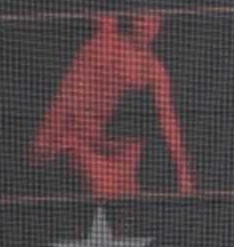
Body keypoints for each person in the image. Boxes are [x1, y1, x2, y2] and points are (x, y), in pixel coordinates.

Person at [29, 10, 195, 195]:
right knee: (105, 185)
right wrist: (52, 137)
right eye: (141, 19)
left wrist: (183, 172)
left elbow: (168, 120)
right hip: (67, 131)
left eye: (153, 20)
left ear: (160, 24)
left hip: (98, 138)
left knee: (130, 160)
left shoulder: (153, 68)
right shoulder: (104, 45)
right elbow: (68, 97)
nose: (146, 26)